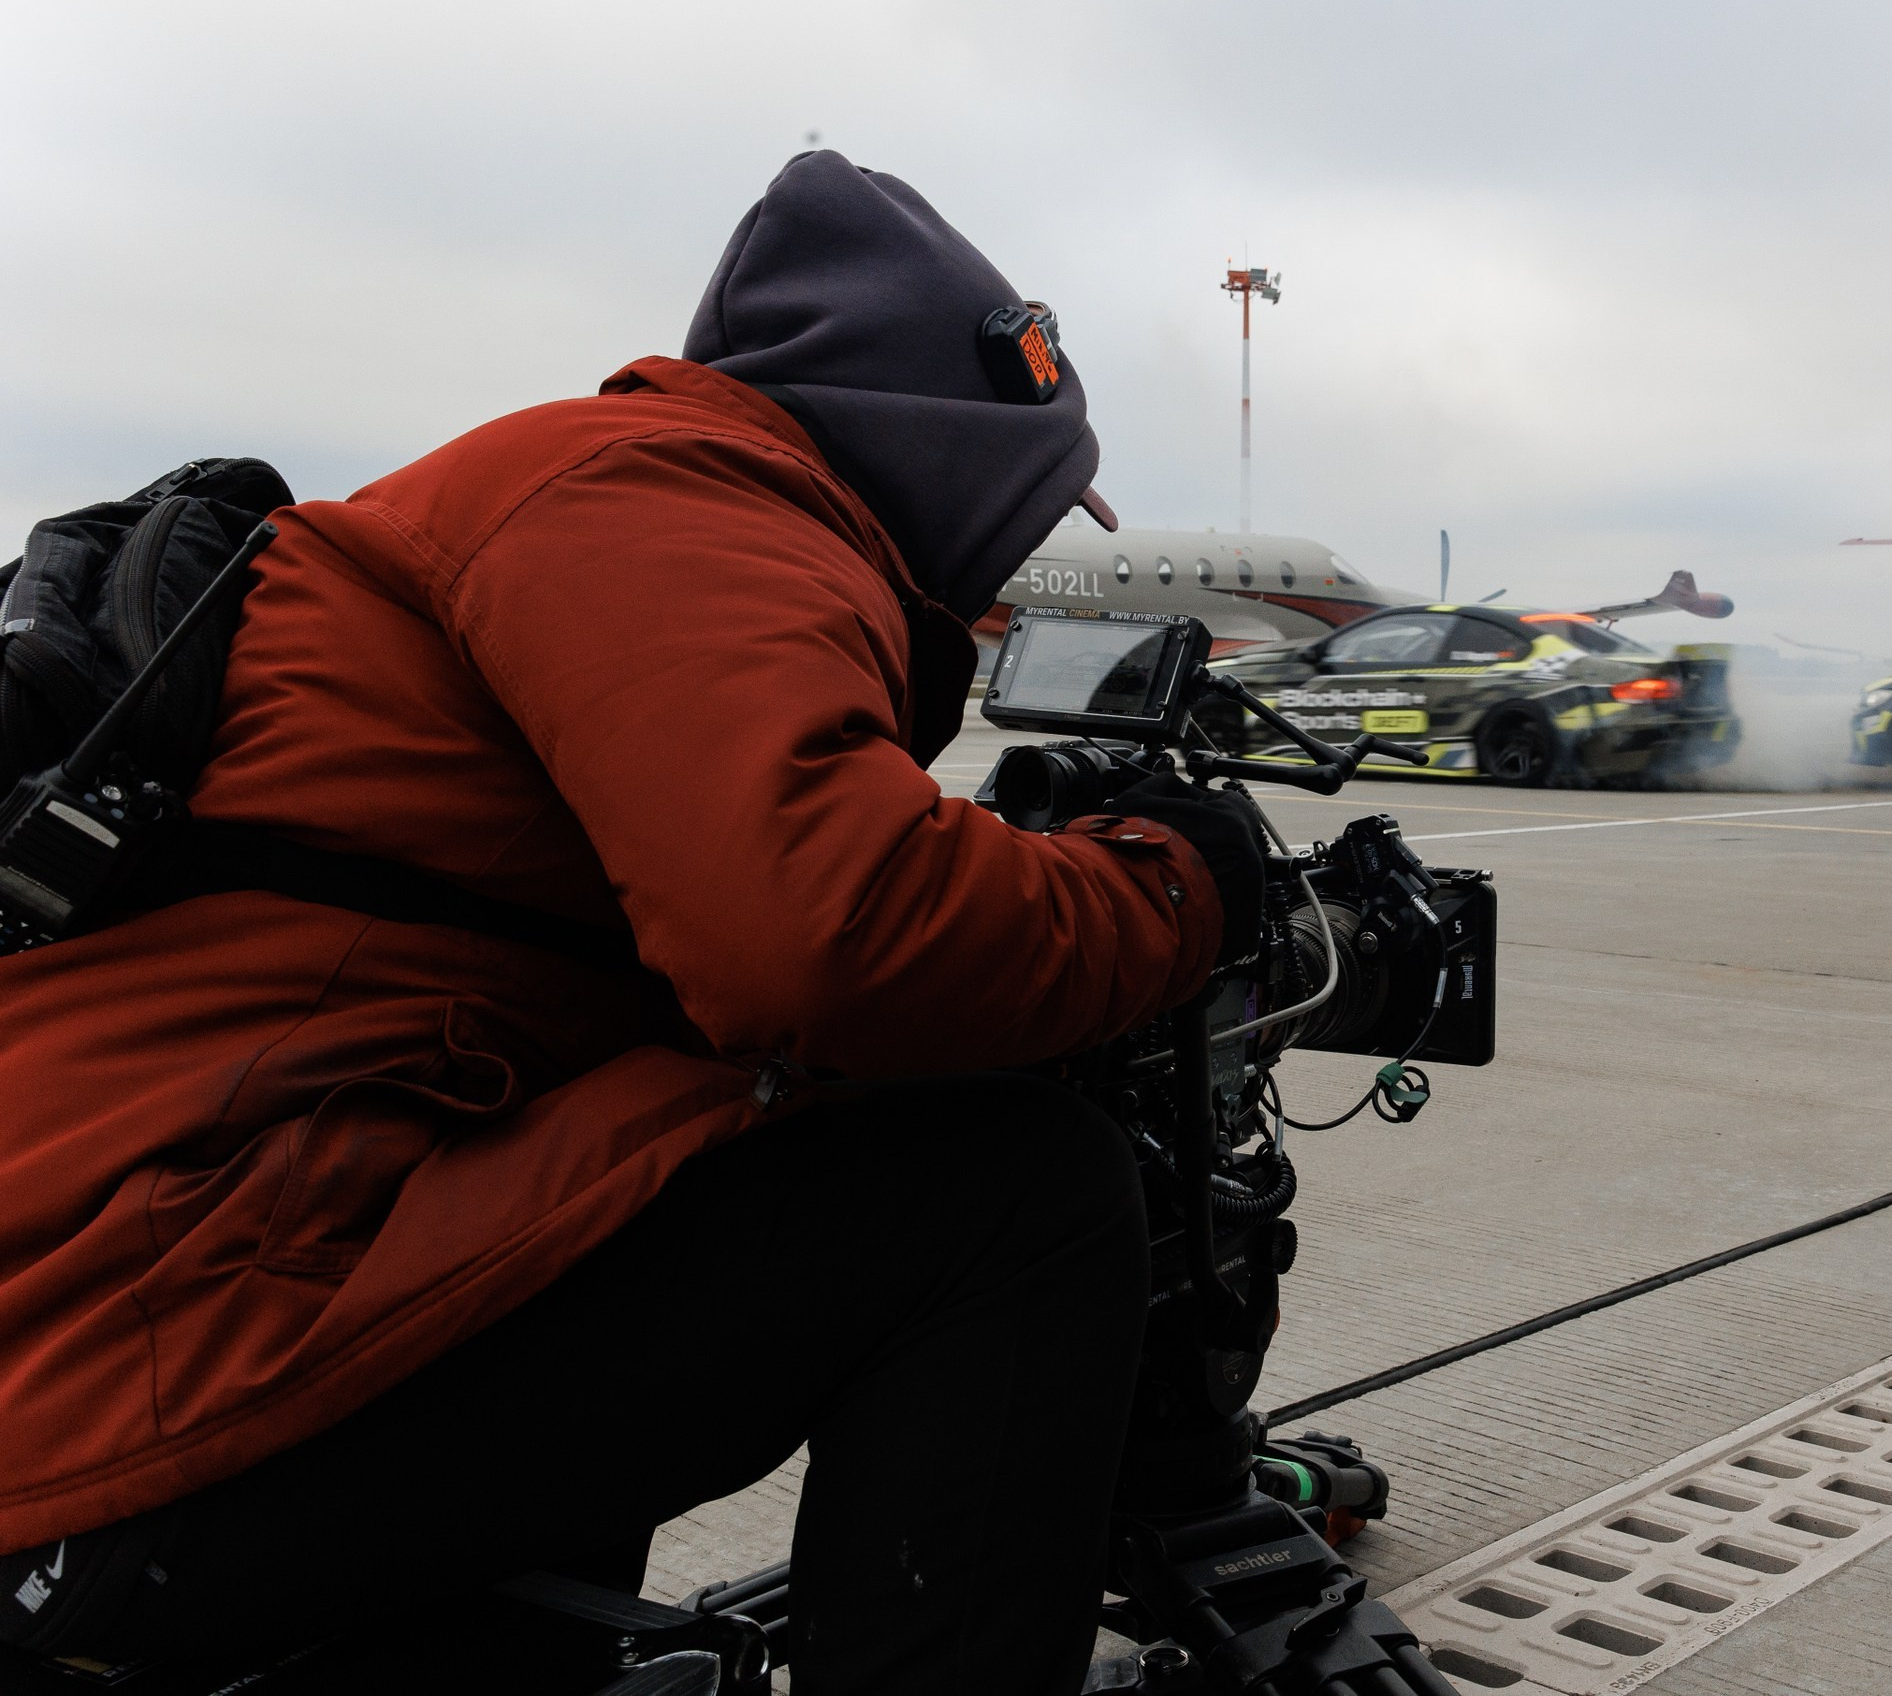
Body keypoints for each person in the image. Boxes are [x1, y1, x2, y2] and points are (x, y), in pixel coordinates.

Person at [0, 153, 1262, 1693]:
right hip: (134, 1379)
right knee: (1019, 1192)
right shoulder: (667, 495)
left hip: (137, 1323)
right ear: (937, 449)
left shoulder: (586, 494)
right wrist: (1171, 884)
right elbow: (832, 940)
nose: (1009, 558)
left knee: (629, 1161)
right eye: (1025, 500)